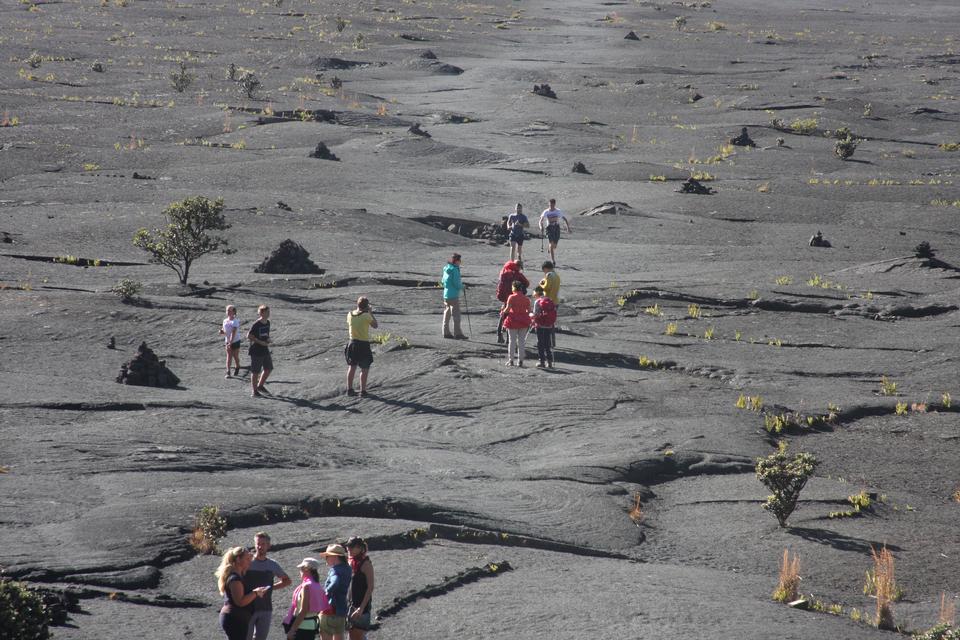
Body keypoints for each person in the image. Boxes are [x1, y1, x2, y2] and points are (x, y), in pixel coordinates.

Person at [215, 546, 270, 640]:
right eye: (247, 559)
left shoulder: (238, 576)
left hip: (238, 618)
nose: (250, 561)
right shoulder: (235, 579)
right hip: (235, 619)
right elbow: (240, 602)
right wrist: (255, 593)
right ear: (238, 559)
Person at [245, 532, 292, 640]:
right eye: (258, 543)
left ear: (268, 546)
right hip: (247, 607)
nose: (260, 546)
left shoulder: (272, 564)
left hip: (265, 608)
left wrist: (271, 588)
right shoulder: (247, 562)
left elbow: (287, 581)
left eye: (263, 544)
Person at [283, 558, 328, 640]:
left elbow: (304, 610)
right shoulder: (317, 586)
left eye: (301, 569)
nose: (300, 571)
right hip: (312, 626)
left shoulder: (306, 586)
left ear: (306, 569)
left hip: (301, 627)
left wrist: (292, 630)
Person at [345, 297, 378, 397]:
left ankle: (349, 390)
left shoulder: (349, 314)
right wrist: (370, 312)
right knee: (364, 368)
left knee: (352, 367)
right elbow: (375, 325)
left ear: (357, 304)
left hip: (352, 343)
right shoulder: (366, 316)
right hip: (363, 344)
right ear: (367, 306)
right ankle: (362, 391)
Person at [319, 544, 352, 640]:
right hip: (341, 610)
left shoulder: (334, 570)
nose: (326, 559)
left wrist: (326, 593)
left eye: (327, 556)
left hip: (329, 610)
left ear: (335, 557)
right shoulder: (348, 569)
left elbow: (335, 582)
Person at [346, 537, 374, 640]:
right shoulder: (351, 562)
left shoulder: (366, 564)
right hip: (351, 606)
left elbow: (370, 587)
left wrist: (361, 608)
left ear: (359, 548)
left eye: (351, 547)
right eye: (347, 546)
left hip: (361, 608)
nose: (348, 549)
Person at [495, 260, 529, 344]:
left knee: (503, 314)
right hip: (513, 297)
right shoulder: (517, 274)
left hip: (504, 297)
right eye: (520, 267)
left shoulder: (504, 271)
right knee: (510, 318)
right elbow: (527, 283)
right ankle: (508, 339)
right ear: (518, 266)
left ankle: (499, 335)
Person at [500, 280, 531, 367]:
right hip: (524, 321)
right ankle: (520, 361)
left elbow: (507, 310)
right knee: (521, 341)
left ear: (514, 287)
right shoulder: (526, 299)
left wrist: (502, 310)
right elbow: (529, 311)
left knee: (512, 341)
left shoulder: (511, 297)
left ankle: (511, 360)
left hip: (513, 320)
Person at [247, 305, 272, 397]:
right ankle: (254, 391)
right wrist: (260, 342)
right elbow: (249, 336)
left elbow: (266, 334)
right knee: (255, 371)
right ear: (261, 313)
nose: (268, 314)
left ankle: (260, 386)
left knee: (268, 368)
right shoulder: (256, 324)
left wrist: (268, 339)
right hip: (256, 350)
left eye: (269, 312)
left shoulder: (268, 322)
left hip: (264, 348)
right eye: (267, 312)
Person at [441, 253, 467, 339]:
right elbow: (456, 283)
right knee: (456, 315)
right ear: (456, 261)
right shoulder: (455, 270)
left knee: (447, 313)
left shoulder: (446, 268)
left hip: (446, 294)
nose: (460, 262)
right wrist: (463, 287)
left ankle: (446, 332)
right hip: (453, 295)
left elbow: (442, 281)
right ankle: (458, 333)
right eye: (460, 260)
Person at [538, 198, 571, 265]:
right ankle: (553, 261)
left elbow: (564, 219)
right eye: (550, 205)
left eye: (552, 205)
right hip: (549, 228)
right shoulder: (546, 211)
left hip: (556, 228)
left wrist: (568, 228)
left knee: (554, 246)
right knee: (551, 243)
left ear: (554, 204)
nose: (551, 206)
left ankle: (550, 248)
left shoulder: (558, 211)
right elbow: (540, 220)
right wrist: (541, 227)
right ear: (548, 204)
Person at [531, 285, 557, 368]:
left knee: (540, 344)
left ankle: (542, 362)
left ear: (537, 292)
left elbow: (536, 315)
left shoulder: (537, 301)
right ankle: (549, 362)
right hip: (549, 325)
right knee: (547, 343)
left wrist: (530, 315)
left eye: (534, 292)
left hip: (540, 325)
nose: (533, 294)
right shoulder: (549, 300)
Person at [539, 262, 561, 347]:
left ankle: (545, 342)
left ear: (546, 268)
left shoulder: (549, 275)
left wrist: (541, 284)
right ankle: (552, 342)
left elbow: (547, 287)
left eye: (544, 270)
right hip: (555, 301)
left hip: (548, 302)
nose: (544, 272)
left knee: (544, 322)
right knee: (551, 322)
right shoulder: (557, 276)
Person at [220, 305, 242, 378]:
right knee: (229, 356)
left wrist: (230, 342)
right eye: (227, 310)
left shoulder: (235, 321)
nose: (228, 312)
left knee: (235, 356)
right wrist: (222, 332)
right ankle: (228, 371)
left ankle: (237, 366)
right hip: (228, 341)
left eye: (230, 310)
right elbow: (225, 331)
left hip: (235, 341)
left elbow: (233, 332)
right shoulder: (225, 321)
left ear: (234, 312)